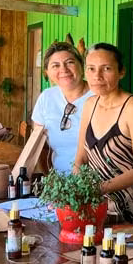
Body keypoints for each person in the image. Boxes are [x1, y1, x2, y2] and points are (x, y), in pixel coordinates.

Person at [73, 43, 133, 224]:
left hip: (128, 212)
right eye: (91, 69)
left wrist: (99, 189)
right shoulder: (89, 105)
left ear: (121, 72)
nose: (97, 76)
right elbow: (80, 159)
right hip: (95, 208)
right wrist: (78, 190)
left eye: (106, 69)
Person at [31, 41, 93, 173]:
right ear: (47, 72)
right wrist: (50, 180)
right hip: (61, 185)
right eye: (55, 65)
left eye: (70, 62)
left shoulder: (98, 95)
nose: (63, 69)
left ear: (81, 65)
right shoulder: (46, 98)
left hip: (101, 184)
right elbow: (40, 147)